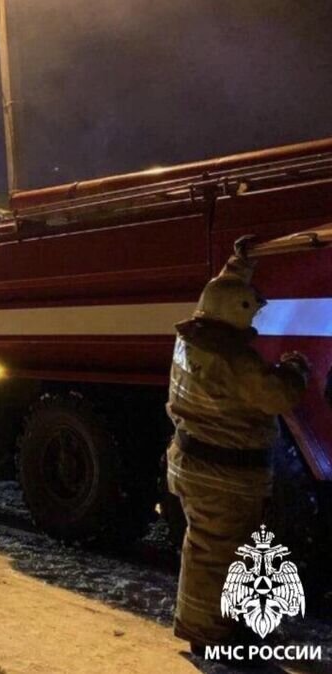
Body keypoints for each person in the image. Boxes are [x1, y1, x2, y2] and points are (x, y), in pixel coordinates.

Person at [166, 238, 310, 657]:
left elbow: (219, 296)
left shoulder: (194, 334)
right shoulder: (234, 358)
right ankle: (209, 636)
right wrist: (297, 368)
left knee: (206, 549)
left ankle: (215, 626)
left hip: (193, 462)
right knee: (213, 555)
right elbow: (278, 396)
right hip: (222, 476)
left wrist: (238, 265)